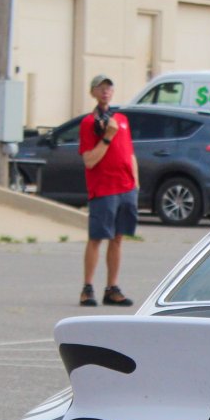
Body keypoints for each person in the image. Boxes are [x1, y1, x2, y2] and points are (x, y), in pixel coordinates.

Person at [77, 74, 137, 306]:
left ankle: (112, 287)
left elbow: (130, 153)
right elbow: (89, 161)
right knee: (96, 238)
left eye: (109, 88)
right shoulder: (88, 123)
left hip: (126, 187)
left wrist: (135, 182)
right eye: (100, 88)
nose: (105, 91)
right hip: (104, 188)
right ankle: (87, 288)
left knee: (118, 237)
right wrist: (107, 137)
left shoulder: (121, 119)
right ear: (93, 92)